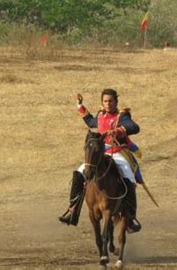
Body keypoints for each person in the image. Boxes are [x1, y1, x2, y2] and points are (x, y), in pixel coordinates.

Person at [59, 89, 142, 233]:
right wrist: (80, 106)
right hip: (100, 153)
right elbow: (91, 122)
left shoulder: (122, 115)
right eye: (105, 101)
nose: (108, 104)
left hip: (117, 152)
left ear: (116, 101)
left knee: (128, 178)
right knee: (78, 174)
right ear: (102, 102)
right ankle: (73, 210)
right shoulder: (101, 114)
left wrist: (119, 131)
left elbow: (134, 127)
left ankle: (130, 217)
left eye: (110, 101)